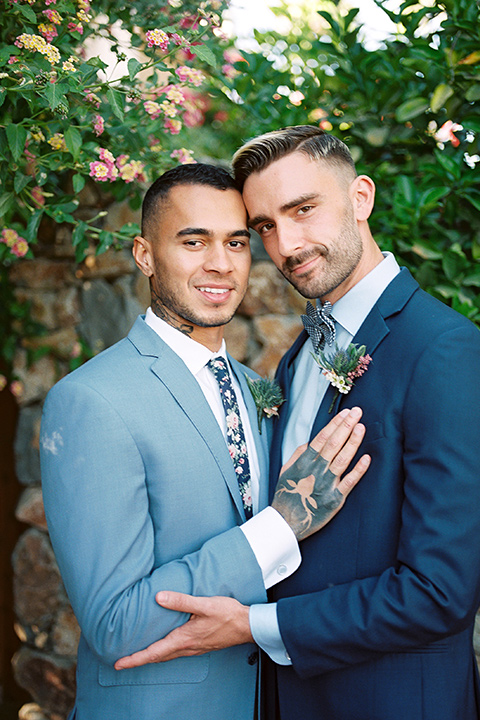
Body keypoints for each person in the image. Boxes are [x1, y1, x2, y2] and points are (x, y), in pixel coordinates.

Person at [115, 128, 480, 720]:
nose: (286, 244)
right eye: (264, 226)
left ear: (360, 198)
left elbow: (441, 593)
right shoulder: (296, 356)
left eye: (303, 210)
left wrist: (253, 625)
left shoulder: (444, 351)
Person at [40, 162, 370, 720]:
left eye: (236, 243)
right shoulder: (90, 401)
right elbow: (115, 624)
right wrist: (278, 527)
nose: (220, 264)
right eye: (194, 242)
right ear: (145, 254)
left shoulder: (260, 389)